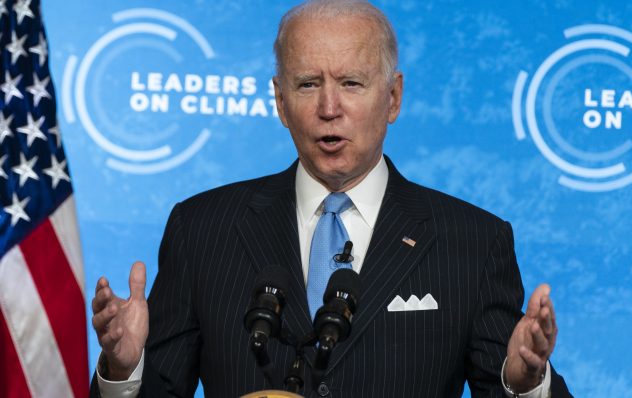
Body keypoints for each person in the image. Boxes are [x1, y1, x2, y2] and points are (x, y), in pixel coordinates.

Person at [90, 1, 572, 397]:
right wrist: (123, 371)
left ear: (393, 99)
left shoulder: (471, 241)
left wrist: (525, 383)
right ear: (280, 102)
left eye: (351, 83)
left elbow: (505, 381)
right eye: (307, 84)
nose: (328, 109)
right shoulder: (202, 229)